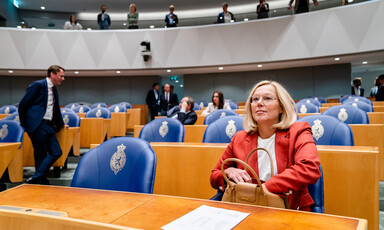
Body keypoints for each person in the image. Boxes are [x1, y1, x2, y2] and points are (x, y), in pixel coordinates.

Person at [210, 80, 321, 211]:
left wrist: (263, 189)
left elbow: (309, 168)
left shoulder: (299, 131)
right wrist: (227, 172)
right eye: (255, 99)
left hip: (287, 209)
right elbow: (214, 176)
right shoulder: (239, 138)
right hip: (246, 207)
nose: (259, 103)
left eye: (267, 98)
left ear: (281, 106)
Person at [18, 65, 66, 185]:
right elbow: (23, 105)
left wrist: (61, 124)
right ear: (52, 74)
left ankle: (37, 176)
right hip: (37, 124)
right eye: (61, 76)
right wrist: (26, 124)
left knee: (56, 152)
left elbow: (55, 109)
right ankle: (41, 180)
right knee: (40, 153)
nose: (63, 78)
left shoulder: (54, 89)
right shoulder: (37, 85)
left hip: (48, 125)